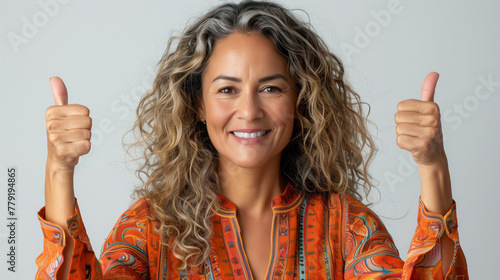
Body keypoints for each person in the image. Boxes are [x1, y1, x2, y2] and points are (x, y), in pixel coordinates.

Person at [36, 1, 468, 279]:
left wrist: (432, 166)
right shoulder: (151, 227)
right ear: (198, 105)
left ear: (302, 100)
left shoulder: (345, 226)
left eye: (271, 88)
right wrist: (59, 170)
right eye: (227, 89)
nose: (249, 111)